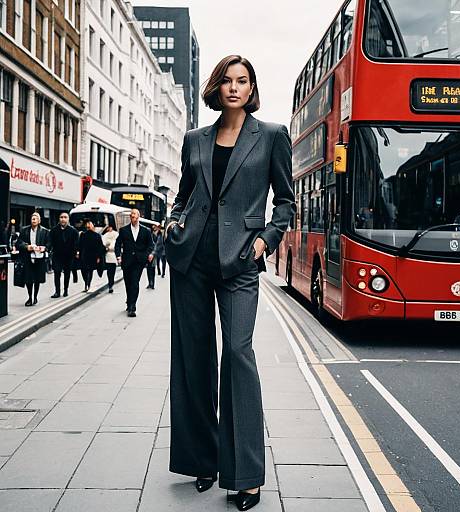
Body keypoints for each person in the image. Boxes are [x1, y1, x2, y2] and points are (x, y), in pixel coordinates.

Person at [165, 55, 295, 511]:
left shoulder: (273, 136)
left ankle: (246, 475)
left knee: (238, 354)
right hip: (192, 260)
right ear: (216, 87)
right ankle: (203, 459)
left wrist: (265, 241)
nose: (234, 87)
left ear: (252, 87)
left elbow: (286, 204)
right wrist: (172, 222)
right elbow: (184, 195)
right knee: (194, 357)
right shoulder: (194, 139)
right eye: (227, 80)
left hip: (241, 261)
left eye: (243, 81)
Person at [115, 209, 155, 317]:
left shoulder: (146, 231)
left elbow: (151, 245)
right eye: (132, 216)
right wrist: (118, 256)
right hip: (127, 261)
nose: (134, 218)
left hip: (139, 261)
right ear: (130, 217)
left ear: (139, 217)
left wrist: (148, 254)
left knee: (135, 282)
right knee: (128, 283)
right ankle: (129, 301)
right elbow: (118, 244)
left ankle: (132, 307)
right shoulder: (123, 230)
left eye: (136, 216)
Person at [16, 212, 51, 306]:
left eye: (36, 218)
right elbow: (18, 243)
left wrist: (44, 248)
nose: (34, 220)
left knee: (37, 279)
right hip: (28, 258)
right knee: (28, 279)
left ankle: (35, 297)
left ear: (39, 221)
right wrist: (27, 247)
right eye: (32, 218)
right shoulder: (24, 230)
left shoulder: (45, 231)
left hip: (39, 258)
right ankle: (30, 297)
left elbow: (49, 244)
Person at [49, 212, 79, 298]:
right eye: (61, 217)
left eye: (65, 217)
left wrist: (75, 253)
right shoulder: (54, 230)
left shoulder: (73, 231)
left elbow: (76, 244)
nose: (63, 219)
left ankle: (66, 290)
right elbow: (50, 242)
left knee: (67, 274)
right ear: (59, 219)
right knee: (57, 273)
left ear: (68, 219)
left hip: (68, 256)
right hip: (57, 256)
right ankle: (57, 292)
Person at [77, 219, 104, 292]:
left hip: (93, 256)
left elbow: (100, 247)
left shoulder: (97, 235)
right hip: (84, 255)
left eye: (90, 225)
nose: (88, 227)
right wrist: (78, 252)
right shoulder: (83, 235)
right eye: (87, 226)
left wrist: (98, 257)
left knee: (90, 270)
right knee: (84, 270)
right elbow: (79, 245)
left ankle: (87, 284)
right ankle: (86, 283)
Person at [102, 225, 119, 293]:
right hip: (107, 256)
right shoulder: (105, 235)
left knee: (112, 272)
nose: (109, 229)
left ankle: (111, 283)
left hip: (113, 255)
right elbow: (103, 244)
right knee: (109, 272)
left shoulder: (116, 234)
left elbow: (116, 244)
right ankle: (110, 285)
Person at [146, 225, 159, 289]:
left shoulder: (154, 236)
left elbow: (156, 246)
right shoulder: (145, 238)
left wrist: (153, 253)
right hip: (147, 255)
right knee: (148, 270)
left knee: (152, 270)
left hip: (153, 255)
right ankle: (149, 283)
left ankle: (152, 283)